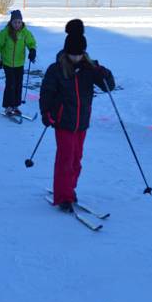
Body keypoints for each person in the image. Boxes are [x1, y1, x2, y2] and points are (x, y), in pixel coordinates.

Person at [39, 19, 115, 212]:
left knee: (76, 161)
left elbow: (109, 86)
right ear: (66, 52)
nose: (76, 57)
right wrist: (46, 113)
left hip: (81, 123)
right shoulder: (56, 69)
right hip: (63, 122)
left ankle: (70, 190)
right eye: (73, 54)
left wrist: (102, 72)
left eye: (79, 54)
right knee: (65, 159)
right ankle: (63, 196)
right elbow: (46, 93)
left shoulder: (89, 69)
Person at [0, 9, 37, 116]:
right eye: (15, 22)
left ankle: (15, 106)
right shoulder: (5, 32)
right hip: (8, 63)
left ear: (21, 22)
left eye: (19, 22)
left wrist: (32, 51)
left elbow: (31, 42)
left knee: (18, 85)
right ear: (11, 22)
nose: (17, 24)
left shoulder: (25, 32)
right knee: (10, 84)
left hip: (19, 63)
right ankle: (8, 106)